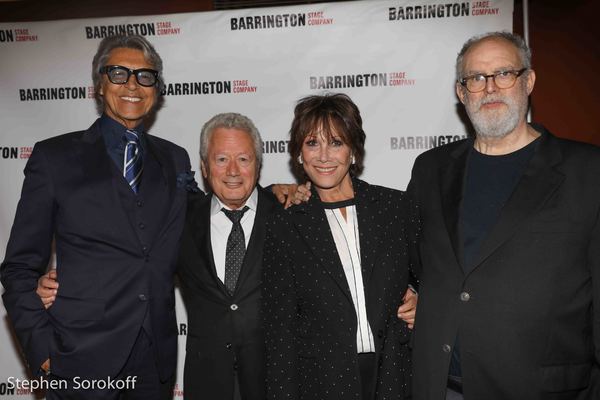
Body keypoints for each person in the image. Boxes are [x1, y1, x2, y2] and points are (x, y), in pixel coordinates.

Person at [409, 31, 600, 400]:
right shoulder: (430, 169)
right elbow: (415, 259)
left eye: (504, 73)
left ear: (528, 81)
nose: (490, 88)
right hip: (441, 388)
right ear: (462, 93)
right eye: (476, 79)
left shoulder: (588, 172)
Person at [1, 34, 193, 399]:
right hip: (77, 358)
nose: (132, 85)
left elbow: (199, 224)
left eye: (145, 76)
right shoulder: (54, 158)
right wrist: (42, 352)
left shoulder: (175, 159)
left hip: (154, 362)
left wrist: (277, 193)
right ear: (99, 85)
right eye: (118, 73)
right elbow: (18, 268)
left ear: (156, 89)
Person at [262, 93, 414, 400]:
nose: (323, 156)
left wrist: (420, 299)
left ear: (354, 150)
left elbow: (438, 275)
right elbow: (281, 334)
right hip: (321, 383)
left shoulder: (395, 208)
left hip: (396, 375)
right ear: (299, 154)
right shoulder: (286, 226)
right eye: (311, 143)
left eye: (336, 142)